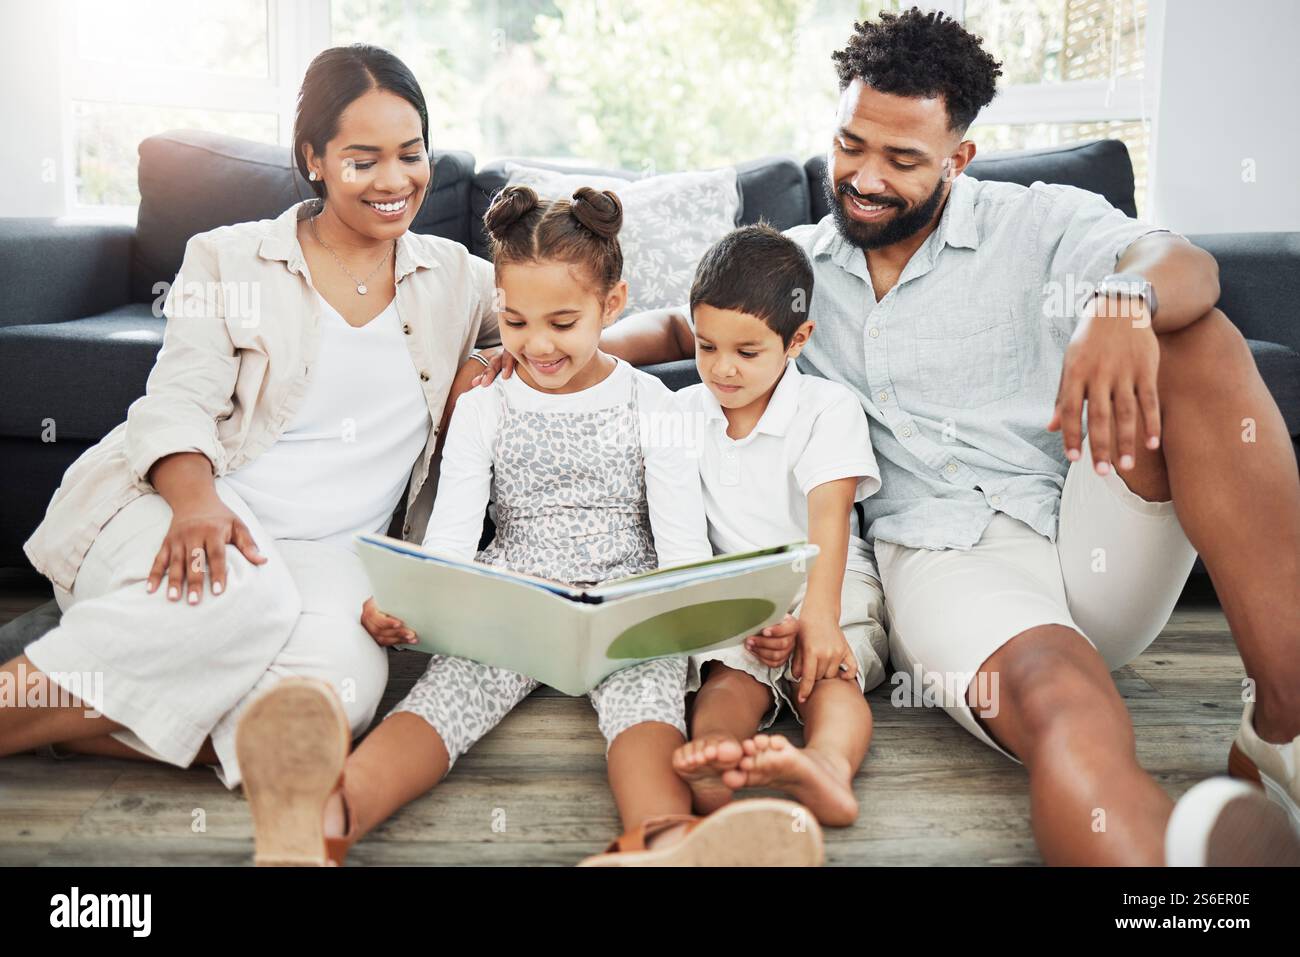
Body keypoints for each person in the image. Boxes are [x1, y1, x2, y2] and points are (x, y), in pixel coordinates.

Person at [477, 9, 1300, 866]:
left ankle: (1284, 720)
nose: (865, 178)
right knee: (1064, 699)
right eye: (850, 146)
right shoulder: (795, 271)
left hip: (1092, 520)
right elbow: (684, 330)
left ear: (960, 158)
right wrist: (536, 350)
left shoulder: (1038, 223)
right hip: (950, 557)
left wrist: (1124, 302)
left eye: (903, 160)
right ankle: (1180, 887)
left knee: (1194, 334)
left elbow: (1183, 263)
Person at [234, 187, 825, 867]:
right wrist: (414, 604)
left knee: (648, 705)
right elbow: (452, 539)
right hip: (513, 589)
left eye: (563, 322)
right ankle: (322, 825)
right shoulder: (487, 406)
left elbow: (682, 545)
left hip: (626, 598)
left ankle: (660, 840)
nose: (536, 344)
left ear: (612, 304)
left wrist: (714, 619)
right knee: (444, 698)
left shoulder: (653, 402)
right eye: (514, 322)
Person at [0, 45, 504, 788]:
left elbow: (560, 320)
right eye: (363, 160)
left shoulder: (455, 275)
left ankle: (94, 728)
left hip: (332, 558)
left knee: (333, 703)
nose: (395, 181)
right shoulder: (226, 258)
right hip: (182, 507)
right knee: (242, 599)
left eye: (411, 154)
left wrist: (488, 363)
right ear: (314, 158)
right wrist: (196, 501)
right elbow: (176, 396)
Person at [669, 225, 886, 828]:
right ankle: (715, 757)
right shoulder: (682, 414)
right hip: (735, 591)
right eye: (706, 346)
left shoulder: (825, 408)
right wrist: (741, 618)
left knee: (830, 679)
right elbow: (686, 540)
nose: (722, 370)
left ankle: (826, 766)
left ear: (798, 340)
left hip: (827, 580)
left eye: (746, 352)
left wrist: (815, 618)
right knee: (725, 679)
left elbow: (830, 523)